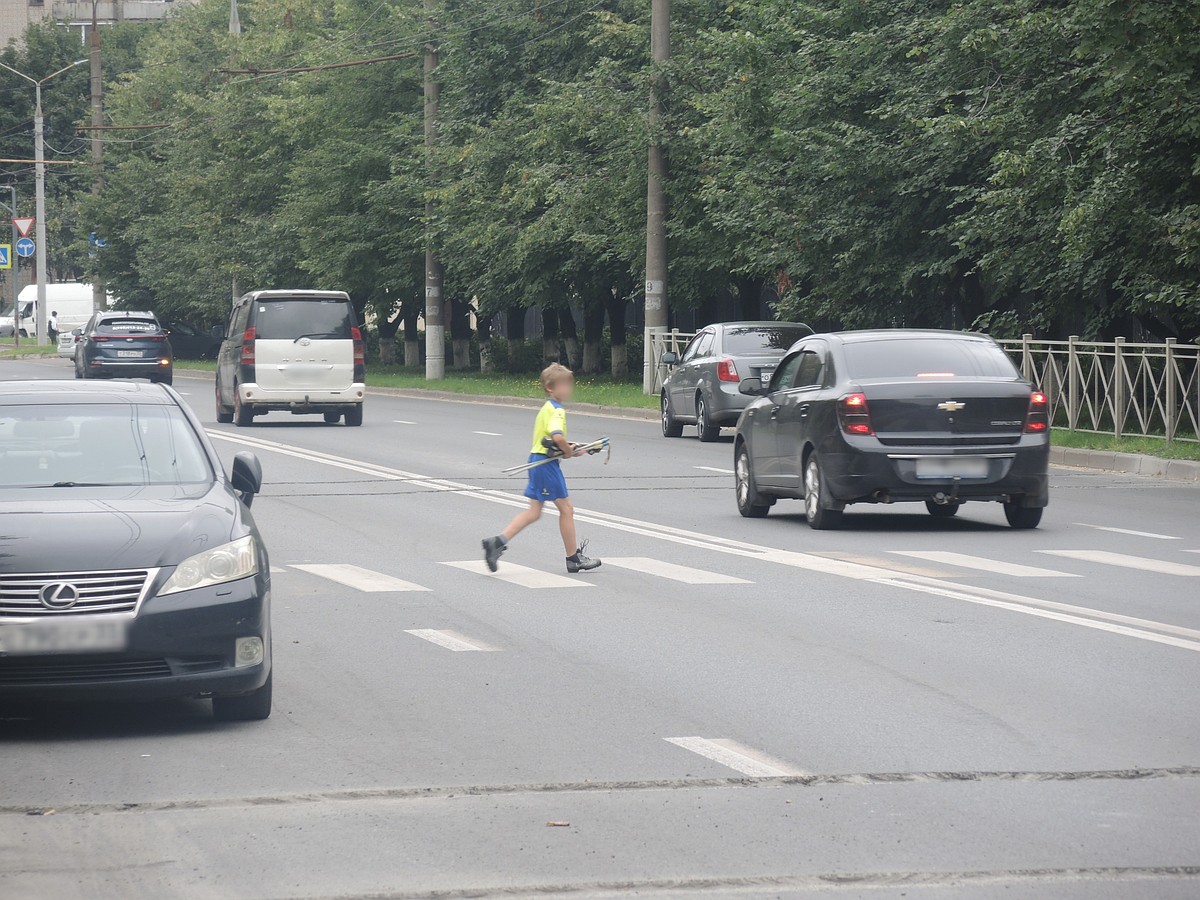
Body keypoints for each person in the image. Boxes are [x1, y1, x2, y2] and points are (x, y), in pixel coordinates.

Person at [482, 363, 601, 574]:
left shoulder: (547, 408)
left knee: (534, 512)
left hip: (538, 460)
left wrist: (574, 449)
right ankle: (573, 558)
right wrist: (567, 450)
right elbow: (557, 437)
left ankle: (497, 542)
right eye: (563, 385)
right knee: (566, 509)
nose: (567, 389)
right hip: (545, 466)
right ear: (550, 388)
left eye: (568, 384)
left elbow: (554, 441)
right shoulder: (557, 411)